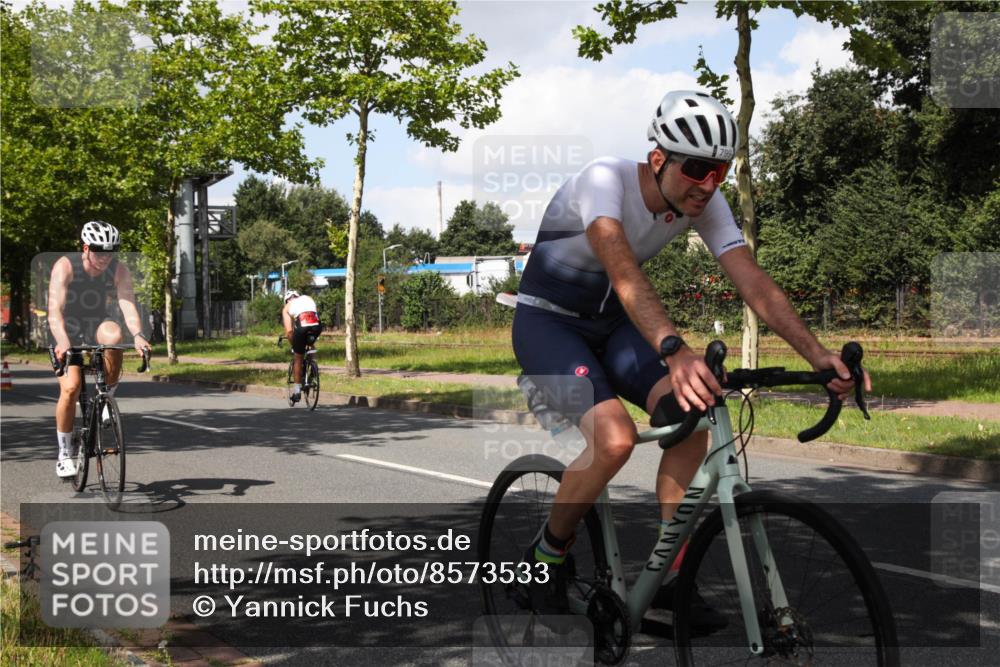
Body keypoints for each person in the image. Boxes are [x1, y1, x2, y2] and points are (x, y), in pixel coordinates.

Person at [512, 91, 871, 624]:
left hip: (614, 327)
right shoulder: (603, 182)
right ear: (659, 159)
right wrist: (675, 348)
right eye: (697, 169)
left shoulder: (703, 200)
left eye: (719, 172)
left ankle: (667, 577)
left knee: (693, 417)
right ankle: (546, 556)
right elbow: (623, 272)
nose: (708, 184)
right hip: (549, 323)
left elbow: (753, 282)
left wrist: (818, 354)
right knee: (613, 440)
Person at [48, 221, 151, 478]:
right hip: (65, 326)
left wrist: (138, 335)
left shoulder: (118, 269)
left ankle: (106, 396)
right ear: (86, 248)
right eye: (99, 252)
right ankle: (64, 453)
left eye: (110, 252)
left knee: (114, 335)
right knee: (71, 387)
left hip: (96, 322)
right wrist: (62, 341)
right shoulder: (65, 266)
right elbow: (54, 312)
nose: (105, 258)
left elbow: (127, 304)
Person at [281, 290, 322, 403]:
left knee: (298, 358)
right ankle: (314, 366)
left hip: (302, 327)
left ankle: (297, 391)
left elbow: (289, 332)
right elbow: (314, 316)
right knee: (310, 344)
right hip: (317, 327)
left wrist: (294, 346)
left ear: (286, 301)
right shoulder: (308, 298)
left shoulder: (287, 308)